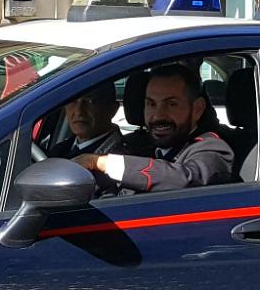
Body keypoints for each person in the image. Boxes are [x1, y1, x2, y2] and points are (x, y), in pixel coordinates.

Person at [76, 63, 233, 193]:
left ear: (197, 109)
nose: (158, 115)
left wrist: (100, 163)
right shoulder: (137, 147)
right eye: (151, 104)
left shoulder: (213, 149)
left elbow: (185, 179)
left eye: (171, 104)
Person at [48, 82, 126, 159]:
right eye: (72, 101)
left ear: (112, 109)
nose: (79, 111)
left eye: (90, 101)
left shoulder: (117, 160)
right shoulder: (60, 149)